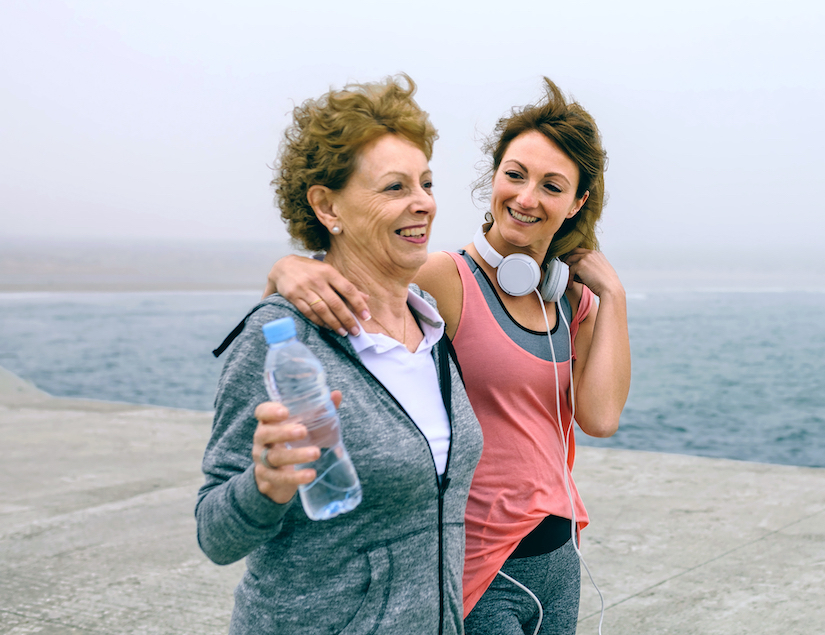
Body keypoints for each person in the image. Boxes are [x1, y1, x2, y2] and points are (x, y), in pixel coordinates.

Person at [265, 78, 631, 634]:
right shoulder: (447, 278)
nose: (527, 197)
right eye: (515, 175)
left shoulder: (571, 299)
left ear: (576, 203)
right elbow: (356, 285)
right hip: (481, 570)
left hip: (559, 560)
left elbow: (601, 417)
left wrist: (614, 298)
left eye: (552, 186)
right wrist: (288, 269)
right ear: (494, 179)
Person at [196, 75, 483, 635]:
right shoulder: (279, 336)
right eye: (395, 187)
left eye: (425, 182)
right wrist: (266, 484)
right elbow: (214, 532)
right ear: (328, 206)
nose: (422, 202)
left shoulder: (429, 323)